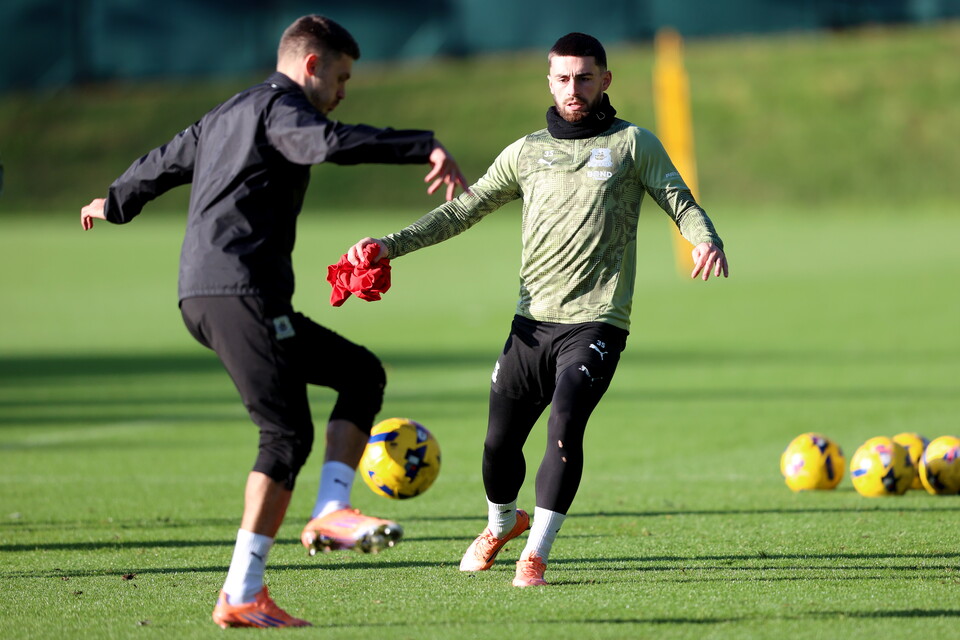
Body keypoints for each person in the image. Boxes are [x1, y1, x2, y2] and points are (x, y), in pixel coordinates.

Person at [79, 15, 468, 628]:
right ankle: (259, 575)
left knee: (359, 374)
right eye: (339, 77)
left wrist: (116, 201)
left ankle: (288, 550)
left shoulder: (227, 112)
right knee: (285, 436)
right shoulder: (283, 111)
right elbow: (331, 143)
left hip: (213, 295)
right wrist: (422, 143)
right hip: (240, 293)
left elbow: (164, 159)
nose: (342, 92)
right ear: (310, 65)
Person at [345, 32, 728, 588]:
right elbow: (461, 211)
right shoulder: (525, 153)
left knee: (566, 423)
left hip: (597, 322)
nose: (574, 89)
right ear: (549, 81)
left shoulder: (631, 145)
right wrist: (388, 245)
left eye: (586, 78)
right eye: (564, 78)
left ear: (606, 80)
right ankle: (503, 523)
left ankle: (537, 555)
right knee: (499, 445)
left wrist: (704, 238)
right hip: (530, 326)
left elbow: (680, 200)